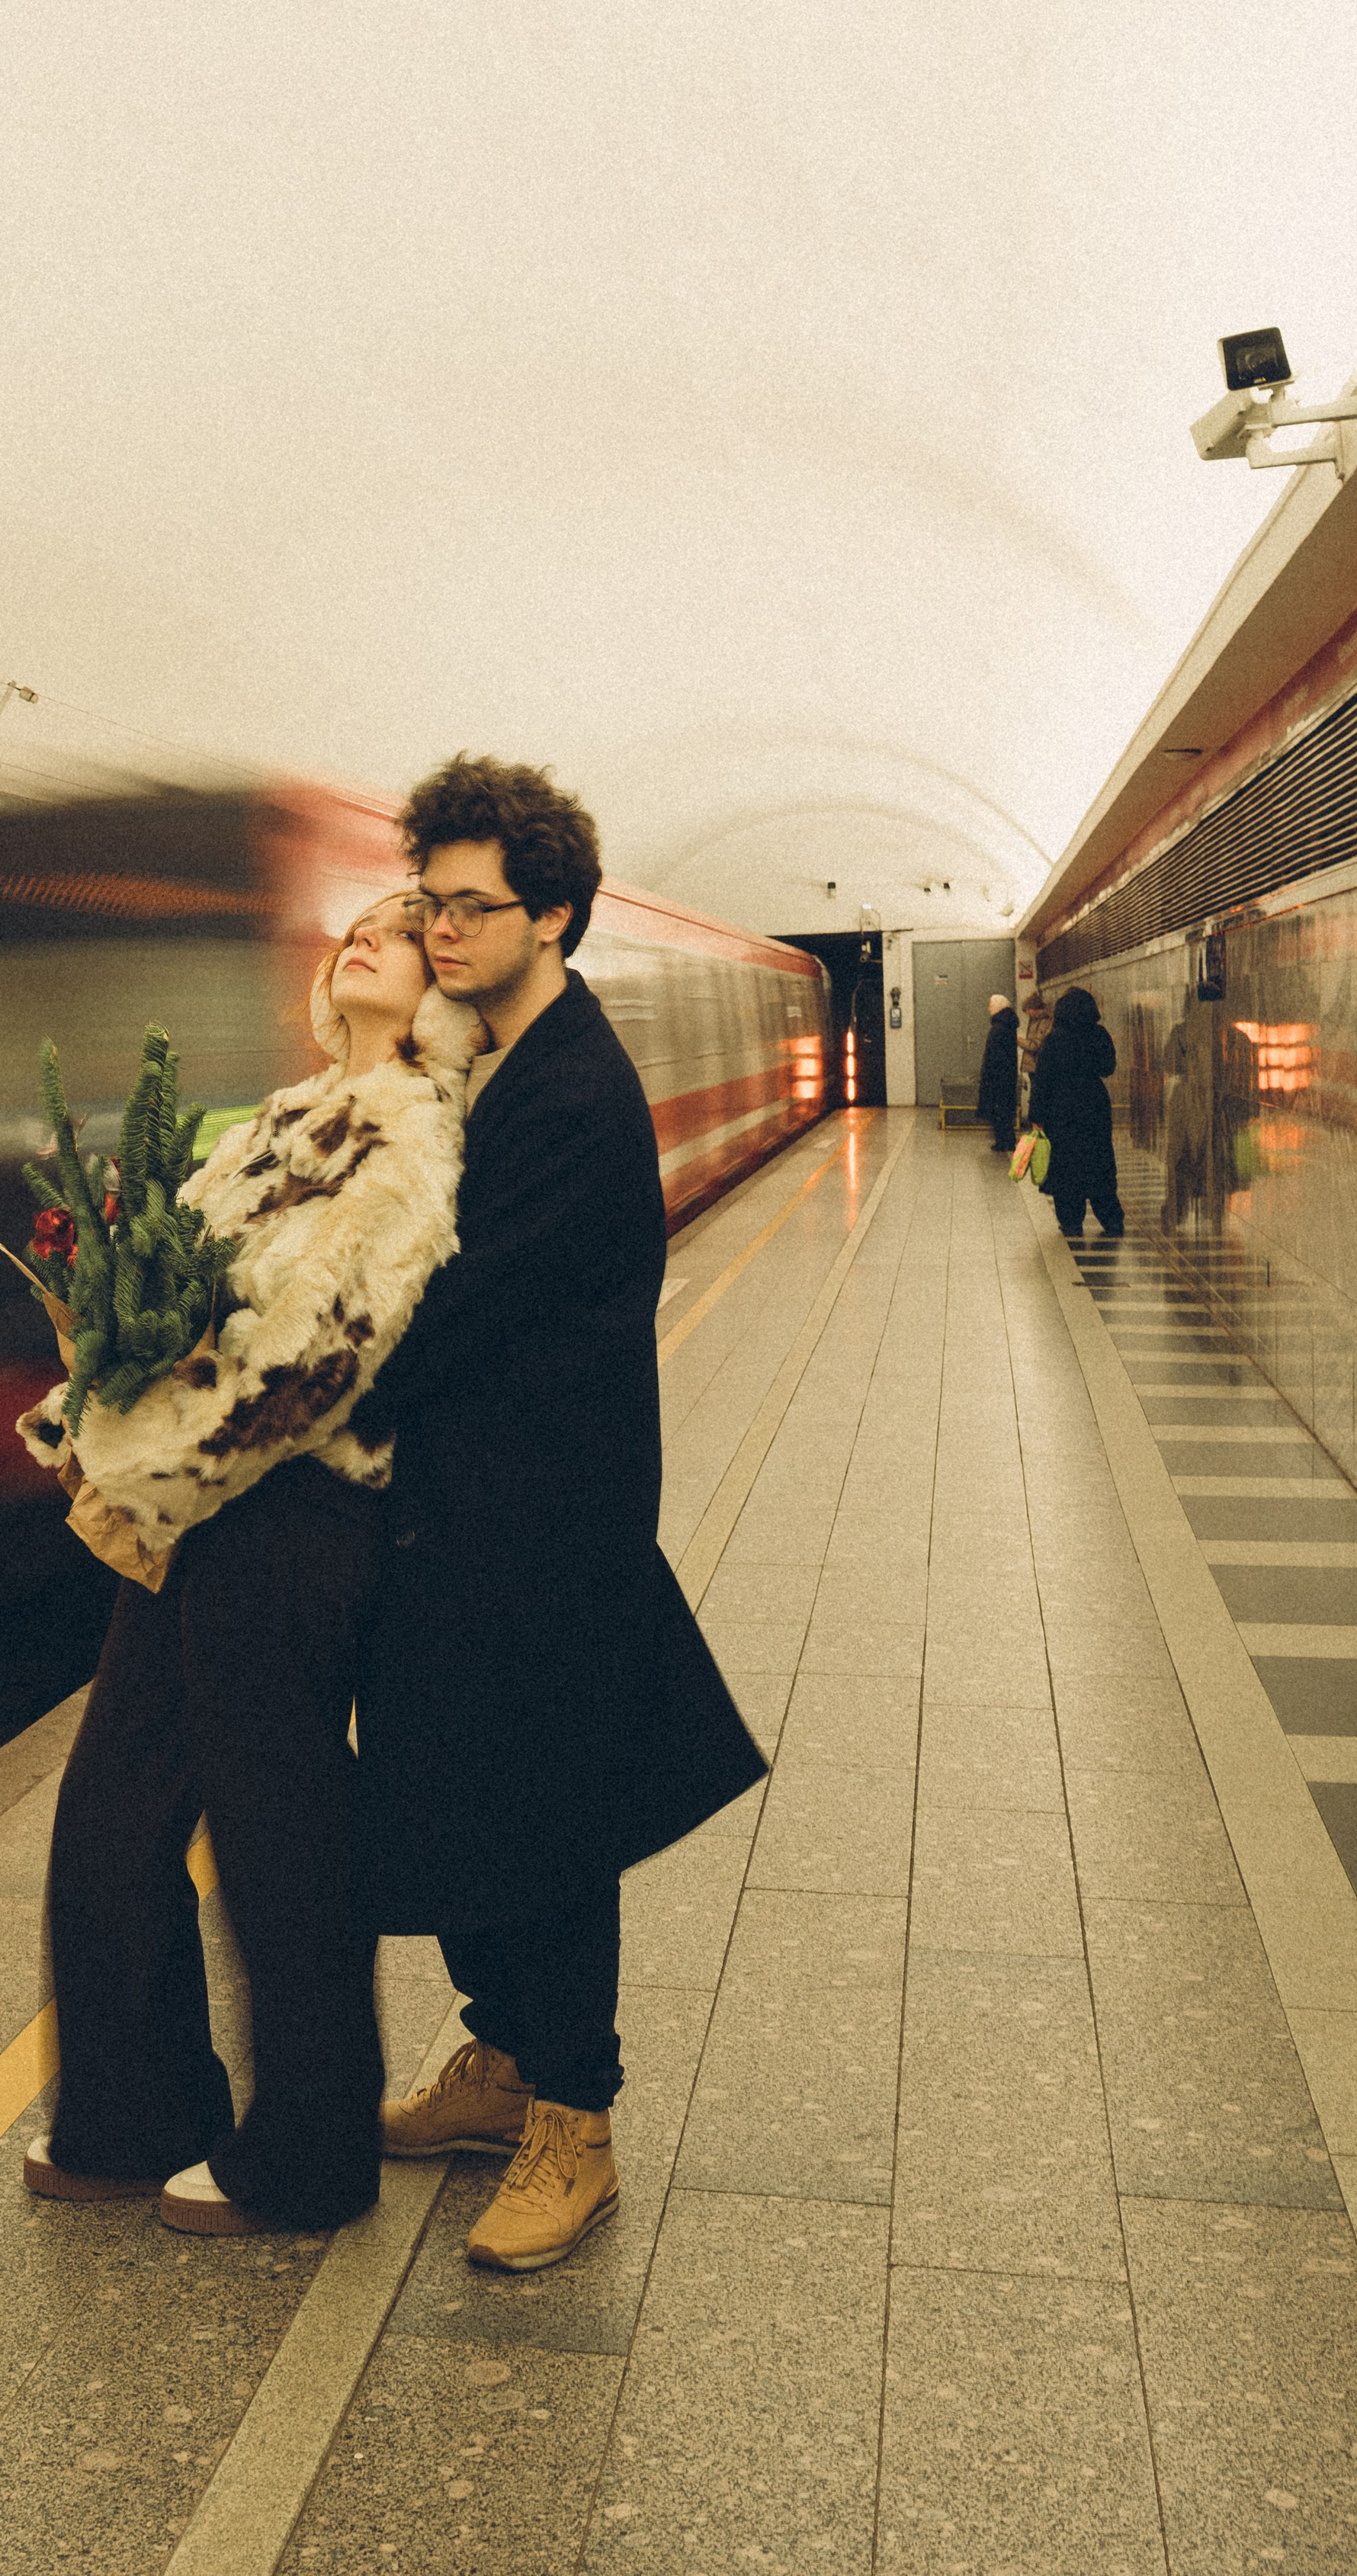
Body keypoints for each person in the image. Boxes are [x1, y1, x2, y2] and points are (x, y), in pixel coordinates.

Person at [351, 755, 768, 2273]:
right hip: (463, 1517)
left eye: (474, 908)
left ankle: (572, 2123)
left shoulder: (574, 1090)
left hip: (540, 1524)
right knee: (461, 1797)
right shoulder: (491, 1059)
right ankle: (499, 2064)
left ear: (555, 915)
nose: (444, 930)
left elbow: (453, 1306)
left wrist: (293, 1382)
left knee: (541, 1820)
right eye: (431, 903)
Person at [16, 900, 478, 2236]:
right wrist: (84, 1419)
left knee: (277, 1843)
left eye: (405, 928)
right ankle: (133, 2109)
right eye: (363, 922)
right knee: (108, 1818)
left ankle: (310, 2155)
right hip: (192, 1509)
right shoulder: (281, 1117)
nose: (370, 935)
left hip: (291, 1519)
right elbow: (165, 1297)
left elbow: (319, 1356)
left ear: (443, 988)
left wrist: (140, 1468)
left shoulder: (414, 1135)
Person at [1029, 982, 1124, 1238]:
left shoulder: (1055, 1039)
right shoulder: (1100, 1035)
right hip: (1095, 1104)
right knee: (1100, 1161)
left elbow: (1043, 1080)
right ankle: (1112, 1219)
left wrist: (1036, 1117)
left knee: (1066, 1164)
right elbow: (1108, 1068)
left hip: (1062, 1108)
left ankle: (1071, 1221)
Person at [977, 990, 1020, 1152]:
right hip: (1007, 1075)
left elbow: (993, 1055)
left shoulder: (999, 1027)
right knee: (1005, 1108)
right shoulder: (1008, 1025)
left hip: (998, 1077)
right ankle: (1006, 1140)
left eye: (990, 1005)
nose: (988, 1009)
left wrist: (987, 1075)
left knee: (999, 1109)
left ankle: (1003, 1141)